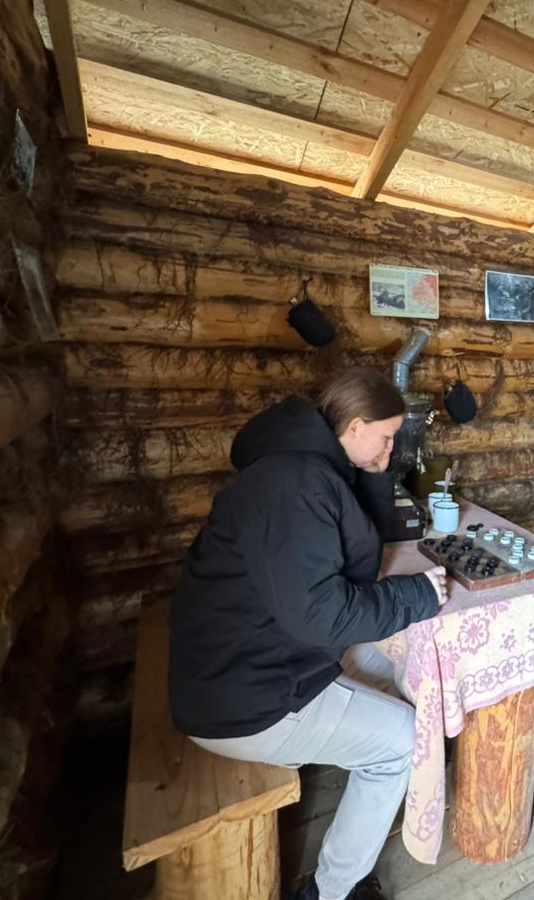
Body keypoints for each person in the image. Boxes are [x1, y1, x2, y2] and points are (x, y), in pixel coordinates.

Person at [168, 367, 448, 900]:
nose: (392, 449)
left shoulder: (312, 466)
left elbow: (363, 552)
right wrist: (417, 595)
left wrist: (376, 472)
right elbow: (321, 615)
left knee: (394, 658)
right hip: (239, 695)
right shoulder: (294, 485)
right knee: (401, 739)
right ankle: (330, 890)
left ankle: (393, 764)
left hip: (250, 655)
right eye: (387, 437)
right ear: (357, 426)